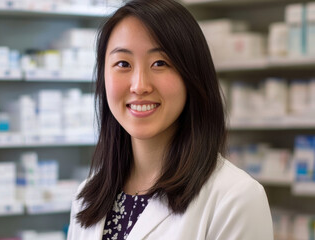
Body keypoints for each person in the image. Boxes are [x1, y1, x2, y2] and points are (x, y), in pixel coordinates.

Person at [67, 0, 273, 239]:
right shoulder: (88, 197)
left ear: (192, 76)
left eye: (160, 63)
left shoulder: (235, 198)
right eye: (123, 64)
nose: (139, 85)